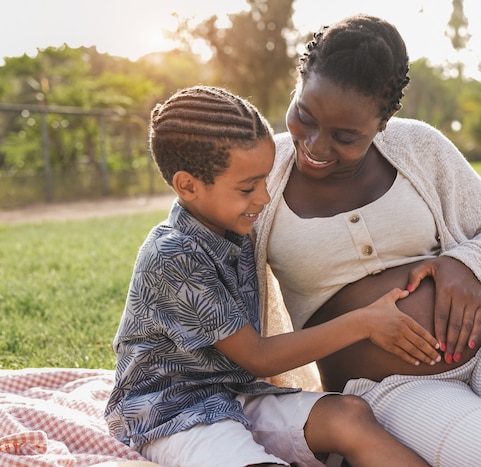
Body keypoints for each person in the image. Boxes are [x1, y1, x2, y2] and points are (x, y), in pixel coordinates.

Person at [254, 14, 481, 466]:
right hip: (392, 389)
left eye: (345, 136)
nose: (315, 144)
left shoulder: (420, 147)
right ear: (298, 86)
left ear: (385, 121)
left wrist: (467, 263)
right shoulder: (260, 176)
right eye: (305, 116)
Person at [104, 85, 435, 467]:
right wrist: (365, 322)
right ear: (187, 186)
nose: (263, 197)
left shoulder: (236, 228)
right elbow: (259, 357)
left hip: (236, 394)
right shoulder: (173, 254)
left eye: (264, 179)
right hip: (171, 412)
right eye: (247, 187)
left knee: (350, 415)